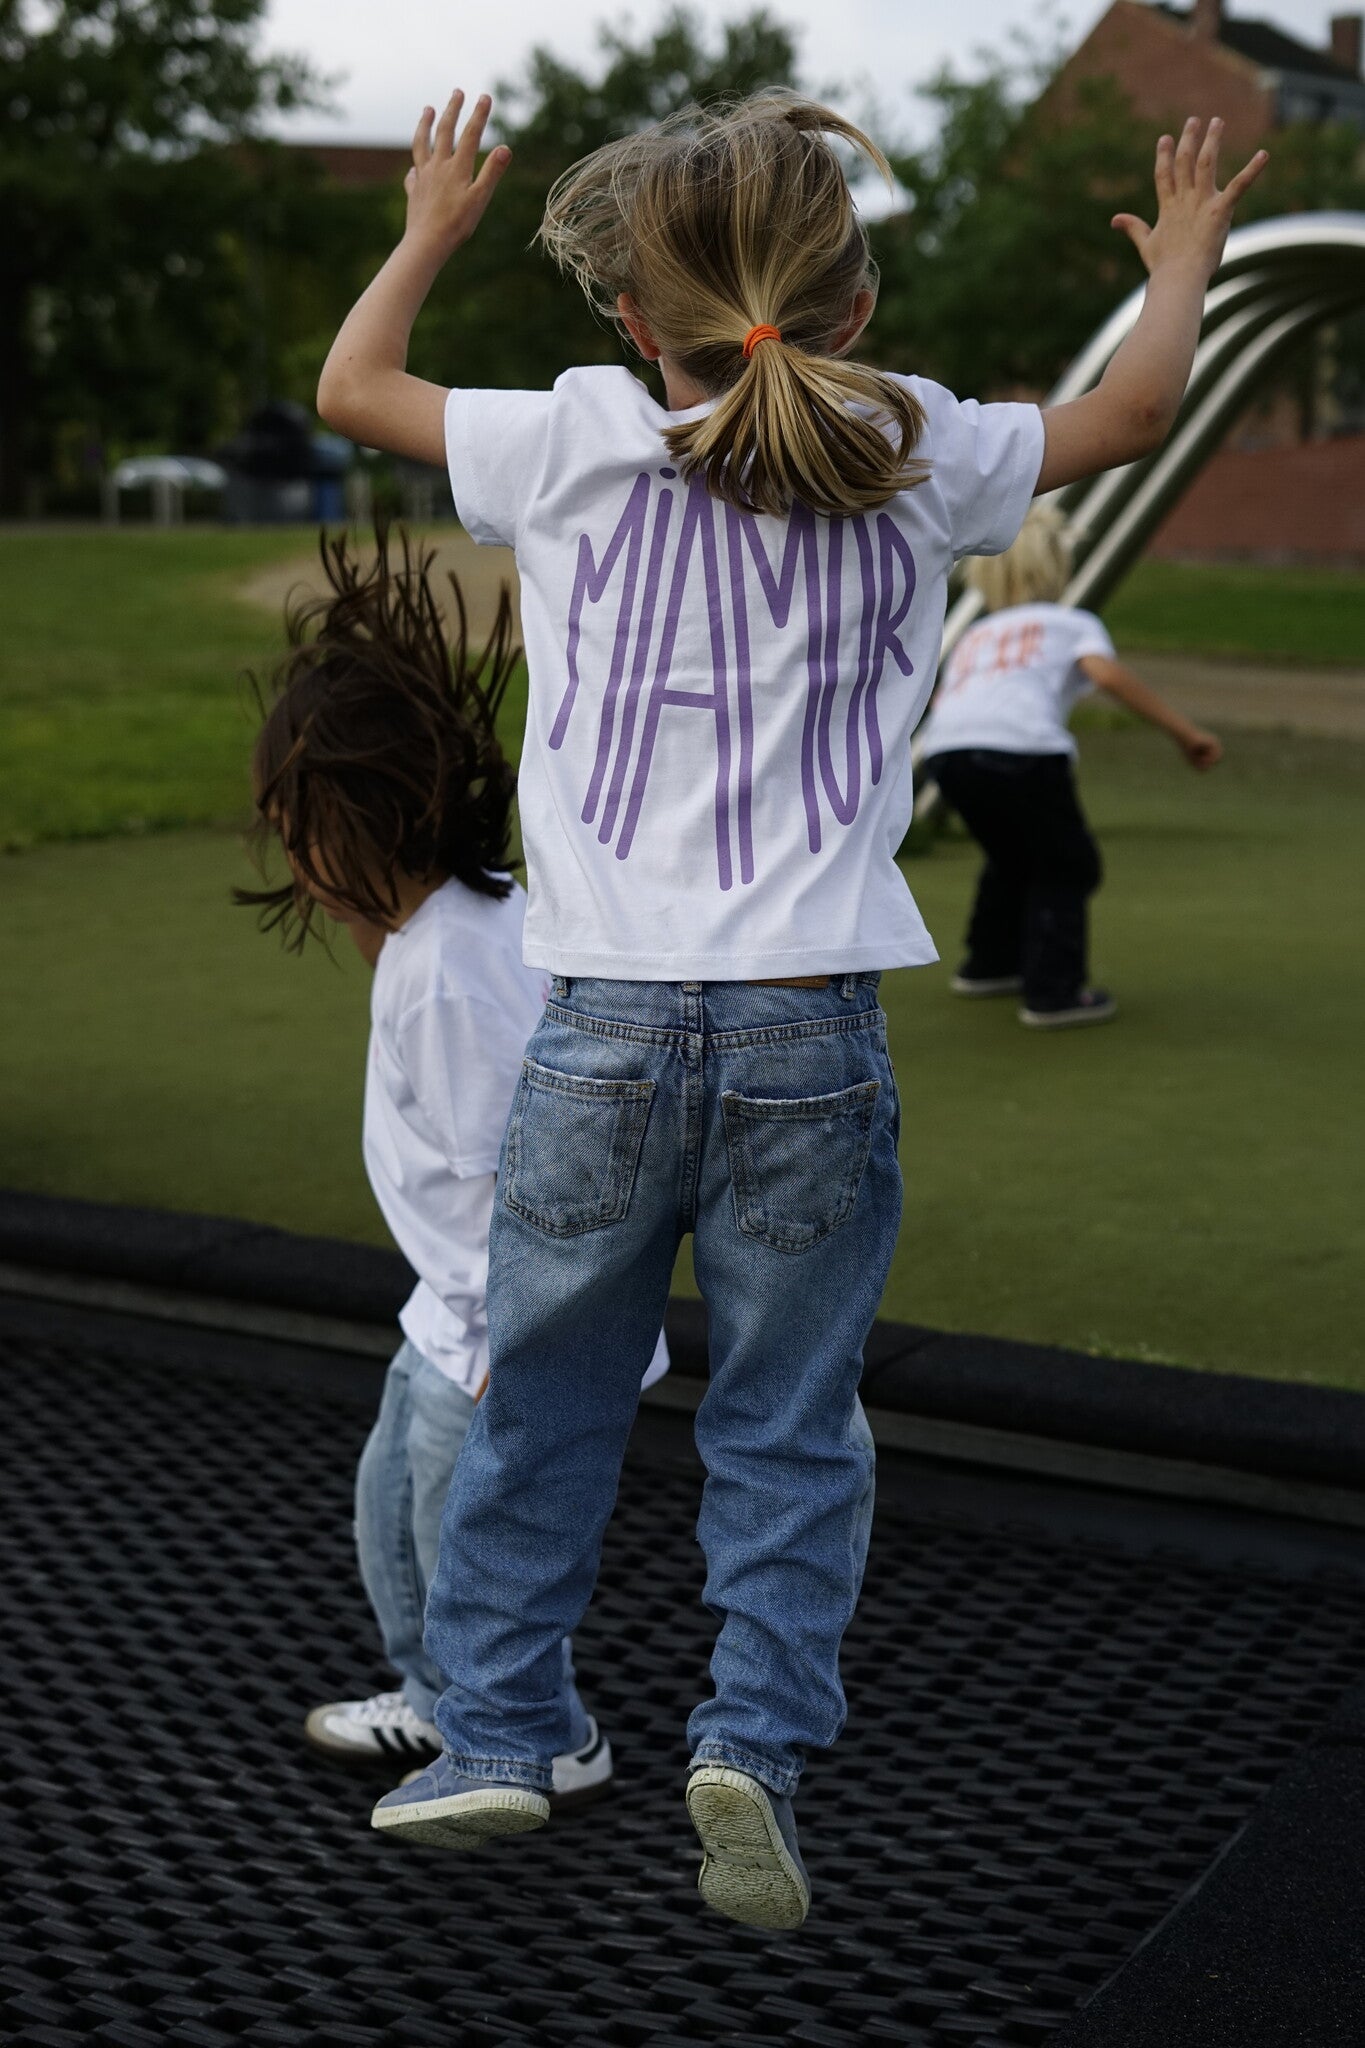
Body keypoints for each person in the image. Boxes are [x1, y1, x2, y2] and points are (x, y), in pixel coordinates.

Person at [315, 87, 1266, 1926]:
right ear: (850, 301)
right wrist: (1189, 264)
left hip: (598, 1029)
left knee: (545, 1401)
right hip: (808, 1032)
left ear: (625, 317)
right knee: (791, 1416)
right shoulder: (918, 441)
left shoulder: (578, 432)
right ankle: (753, 1733)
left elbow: (361, 385)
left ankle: (501, 1730)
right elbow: (1140, 414)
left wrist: (430, 224)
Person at [236, 527, 670, 1807]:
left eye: (300, 835)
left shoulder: (448, 969)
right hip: (459, 1308)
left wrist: (505, 1355)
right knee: (394, 1500)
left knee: (464, 1531)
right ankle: (441, 1698)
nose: (295, 870)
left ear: (367, 823)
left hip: (507, 1319)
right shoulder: (453, 922)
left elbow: (520, 1180)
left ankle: (540, 1728)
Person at [918, 506, 1223, 1028]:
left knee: (1011, 856)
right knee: (1066, 864)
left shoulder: (976, 635)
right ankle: (1053, 992)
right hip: (1025, 752)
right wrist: (1186, 732)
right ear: (1058, 566)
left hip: (948, 753)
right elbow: (1104, 674)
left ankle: (987, 963)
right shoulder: (1071, 623)